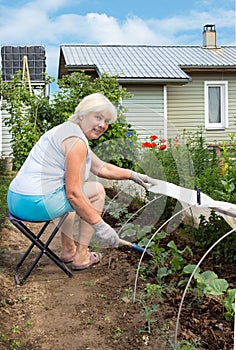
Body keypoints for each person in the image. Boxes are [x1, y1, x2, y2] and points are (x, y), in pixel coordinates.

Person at [7, 92, 151, 270]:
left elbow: (101, 167)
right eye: (98, 117)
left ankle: (69, 250)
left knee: (72, 195)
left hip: (16, 200)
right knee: (95, 191)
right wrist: (101, 226)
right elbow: (74, 194)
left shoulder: (67, 130)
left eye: (106, 121)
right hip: (35, 204)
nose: (102, 125)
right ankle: (82, 255)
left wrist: (132, 175)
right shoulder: (76, 141)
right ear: (82, 114)